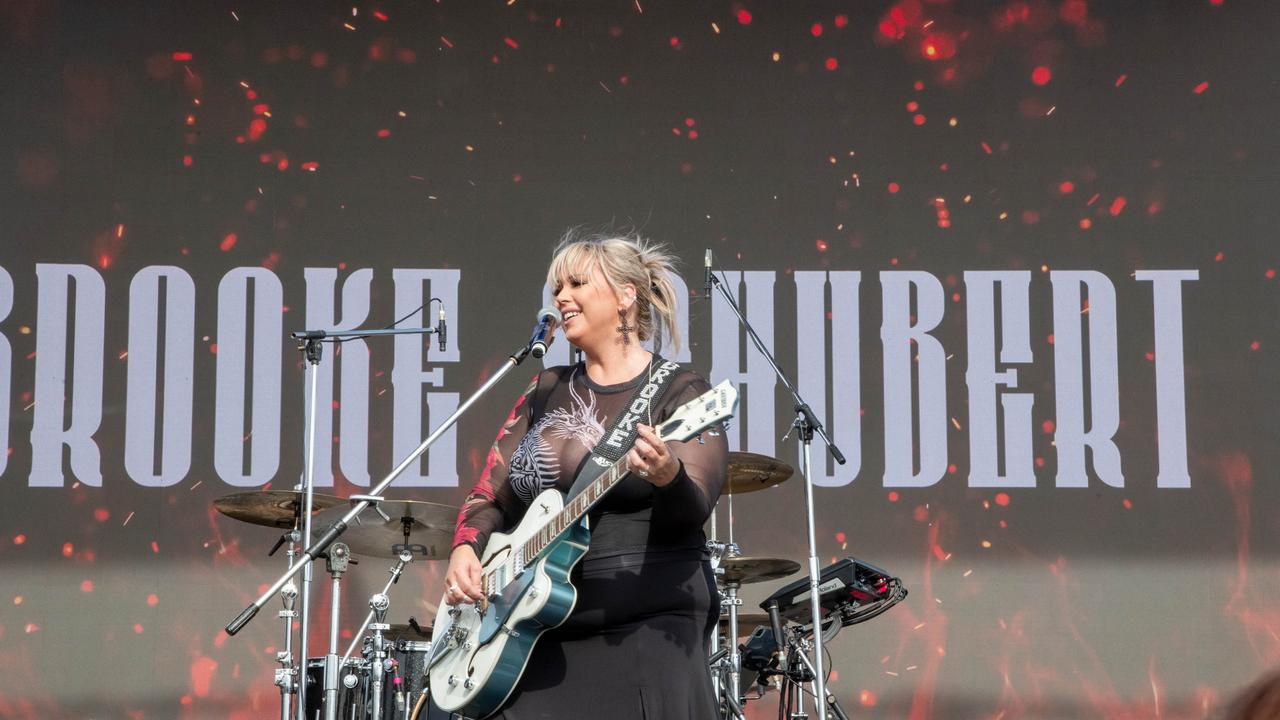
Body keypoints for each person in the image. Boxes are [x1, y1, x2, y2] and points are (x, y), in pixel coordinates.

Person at [443, 231, 729, 719]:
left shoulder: (681, 390)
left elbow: (695, 508)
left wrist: (667, 475)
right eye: (557, 287)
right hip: (537, 635)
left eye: (577, 283)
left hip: (644, 631)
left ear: (625, 296)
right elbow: (491, 493)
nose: (561, 297)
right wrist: (466, 548)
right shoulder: (547, 388)